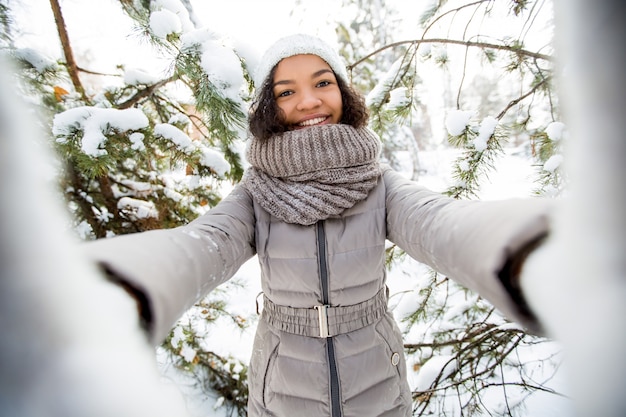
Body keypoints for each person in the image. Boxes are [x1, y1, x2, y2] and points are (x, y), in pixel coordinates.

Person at [84, 34, 553, 417]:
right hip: (282, 388)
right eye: (286, 91)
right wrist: (121, 285)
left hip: (378, 385)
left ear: (344, 94)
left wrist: (529, 250)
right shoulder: (255, 193)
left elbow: (441, 223)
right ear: (270, 108)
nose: (308, 101)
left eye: (322, 82)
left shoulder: (380, 184)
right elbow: (207, 243)